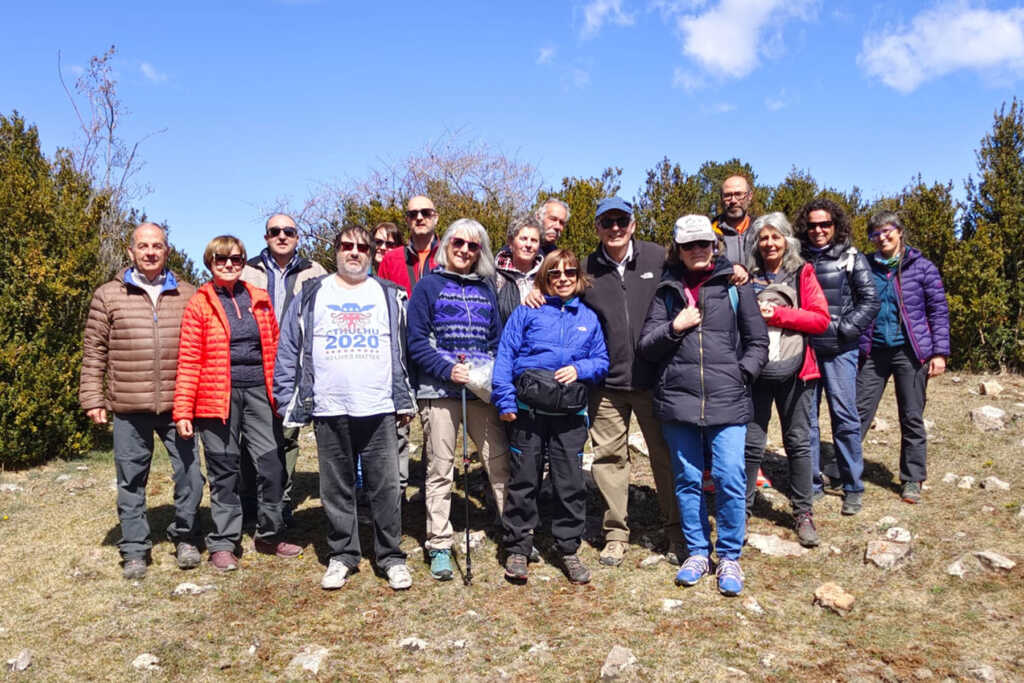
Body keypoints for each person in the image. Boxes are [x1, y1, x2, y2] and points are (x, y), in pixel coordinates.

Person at [274, 226, 416, 590]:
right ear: (336, 250)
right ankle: (343, 555)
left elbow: (405, 348)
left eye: (362, 247)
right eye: (346, 246)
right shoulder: (311, 293)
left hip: (379, 406)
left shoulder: (390, 295)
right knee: (336, 488)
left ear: (372, 254)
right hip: (329, 406)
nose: (354, 252)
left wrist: (406, 396)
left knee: (385, 488)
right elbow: (289, 347)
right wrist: (286, 394)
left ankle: (390, 557)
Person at [639, 215, 768, 597]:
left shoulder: (734, 285)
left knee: (729, 476)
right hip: (679, 403)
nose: (698, 250)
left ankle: (729, 555)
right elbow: (647, 345)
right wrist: (675, 327)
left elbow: (758, 341)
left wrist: (741, 373)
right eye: (689, 245)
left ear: (715, 246)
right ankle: (697, 552)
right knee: (687, 480)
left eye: (704, 243)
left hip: (727, 399)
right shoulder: (667, 290)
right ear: (677, 250)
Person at [79, 223, 204, 580]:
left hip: (178, 406)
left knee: (190, 476)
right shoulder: (108, 295)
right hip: (128, 406)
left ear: (168, 251)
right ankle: (134, 549)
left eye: (158, 246)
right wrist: (92, 397)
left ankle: (186, 537)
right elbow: (94, 350)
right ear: (131, 251)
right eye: (143, 246)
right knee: (131, 480)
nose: (150, 252)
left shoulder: (189, 294)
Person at [174, 235, 302, 571]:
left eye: (235, 259)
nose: (228, 264)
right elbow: (188, 359)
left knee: (272, 467)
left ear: (244, 261)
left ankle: (270, 535)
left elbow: (277, 351)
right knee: (224, 471)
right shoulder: (200, 304)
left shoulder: (258, 299)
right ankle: (223, 542)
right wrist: (183, 409)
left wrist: (283, 394)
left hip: (260, 393)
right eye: (220, 259)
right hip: (216, 399)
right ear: (210, 263)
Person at [493, 249, 609, 584]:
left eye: (569, 272)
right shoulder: (527, 311)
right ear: (545, 276)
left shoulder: (588, 317)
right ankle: (518, 547)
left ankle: (568, 549)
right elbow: (506, 356)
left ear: (578, 277)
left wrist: (580, 368)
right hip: (528, 412)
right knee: (524, 479)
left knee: (570, 482)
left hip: (569, 414)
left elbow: (601, 360)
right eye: (554, 273)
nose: (562, 278)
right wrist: (505, 401)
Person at [579, 197, 683, 567]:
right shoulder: (585, 268)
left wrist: (734, 270)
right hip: (606, 385)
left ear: (633, 224)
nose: (615, 228)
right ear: (597, 228)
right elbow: (556, 292)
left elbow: (696, 268)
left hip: (654, 380)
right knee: (609, 459)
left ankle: (677, 531)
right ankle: (616, 534)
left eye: (621, 220)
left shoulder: (658, 257)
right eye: (607, 222)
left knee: (665, 458)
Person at [406, 218, 511, 581]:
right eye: (459, 243)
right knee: (440, 468)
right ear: (446, 245)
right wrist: (447, 369)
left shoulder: (486, 288)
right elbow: (417, 341)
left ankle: (511, 531)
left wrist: (487, 374)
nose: (465, 250)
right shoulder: (427, 286)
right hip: (439, 391)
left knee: (497, 460)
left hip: (479, 391)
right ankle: (438, 544)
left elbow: (496, 341)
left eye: (473, 245)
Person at [741, 213, 829, 547]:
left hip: (797, 370)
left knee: (798, 441)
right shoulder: (747, 277)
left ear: (787, 240)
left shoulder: (802, 272)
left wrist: (777, 314)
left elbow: (820, 320)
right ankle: (743, 510)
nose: (769, 243)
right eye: (763, 238)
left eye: (775, 237)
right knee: (751, 443)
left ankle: (803, 513)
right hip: (757, 371)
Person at [856, 211, 949, 504]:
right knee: (858, 412)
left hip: (911, 351)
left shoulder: (922, 268)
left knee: (911, 415)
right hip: (874, 350)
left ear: (899, 231)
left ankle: (912, 479)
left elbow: (938, 311)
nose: (882, 237)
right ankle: (844, 468)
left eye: (887, 231)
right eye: (875, 234)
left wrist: (939, 352)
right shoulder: (864, 267)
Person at [240, 214, 327, 523]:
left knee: (287, 434)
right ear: (266, 237)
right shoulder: (247, 270)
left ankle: (282, 500)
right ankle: (249, 501)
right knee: (249, 436)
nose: (281, 236)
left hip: (294, 363)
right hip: (252, 363)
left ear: (297, 237)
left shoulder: (314, 271)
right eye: (274, 231)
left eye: (288, 231)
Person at [795, 199, 879, 515]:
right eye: (813, 224)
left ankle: (852, 486)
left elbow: (870, 301)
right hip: (806, 350)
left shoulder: (851, 257)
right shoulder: (798, 257)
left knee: (845, 419)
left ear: (835, 226)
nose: (818, 230)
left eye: (825, 224)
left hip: (841, 350)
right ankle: (812, 484)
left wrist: (843, 329)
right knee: (808, 423)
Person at [377, 195, 440, 297]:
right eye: (413, 214)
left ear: (436, 218)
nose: (419, 218)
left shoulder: (450, 257)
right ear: (407, 220)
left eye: (426, 213)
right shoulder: (391, 260)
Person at [495, 215, 543, 324]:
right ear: (511, 243)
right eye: (523, 239)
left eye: (534, 240)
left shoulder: (547, 278)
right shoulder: (496, 277)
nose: (528, 245)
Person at [711, 174, 756, 284]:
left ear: (750, 196)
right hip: (720, 296)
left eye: (739, 194)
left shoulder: (763, 232)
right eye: (727, 195)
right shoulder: (709, 232)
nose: (733, 200)